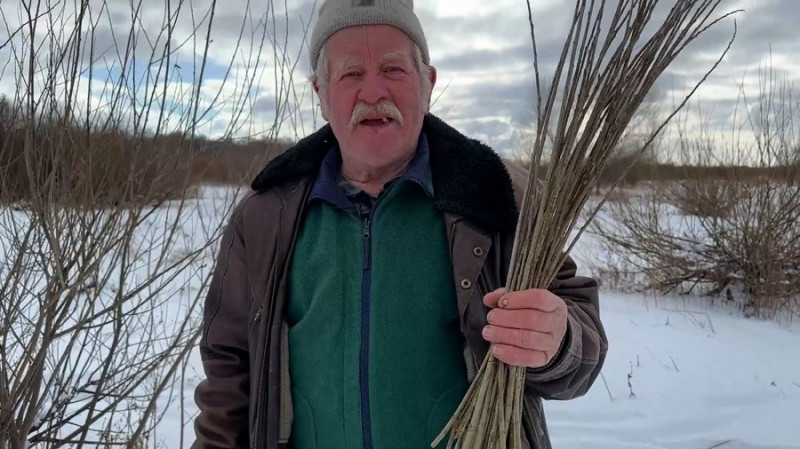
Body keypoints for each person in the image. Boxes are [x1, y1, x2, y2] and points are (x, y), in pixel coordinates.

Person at [192, 1, 607, 448]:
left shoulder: (500, 197)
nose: (373, 93)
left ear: (427, 83)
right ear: (320, 92)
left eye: (393, 69)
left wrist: (558, 340)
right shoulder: (265, 216)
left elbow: (581, 345)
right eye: (351, 74)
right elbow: (229, 370)